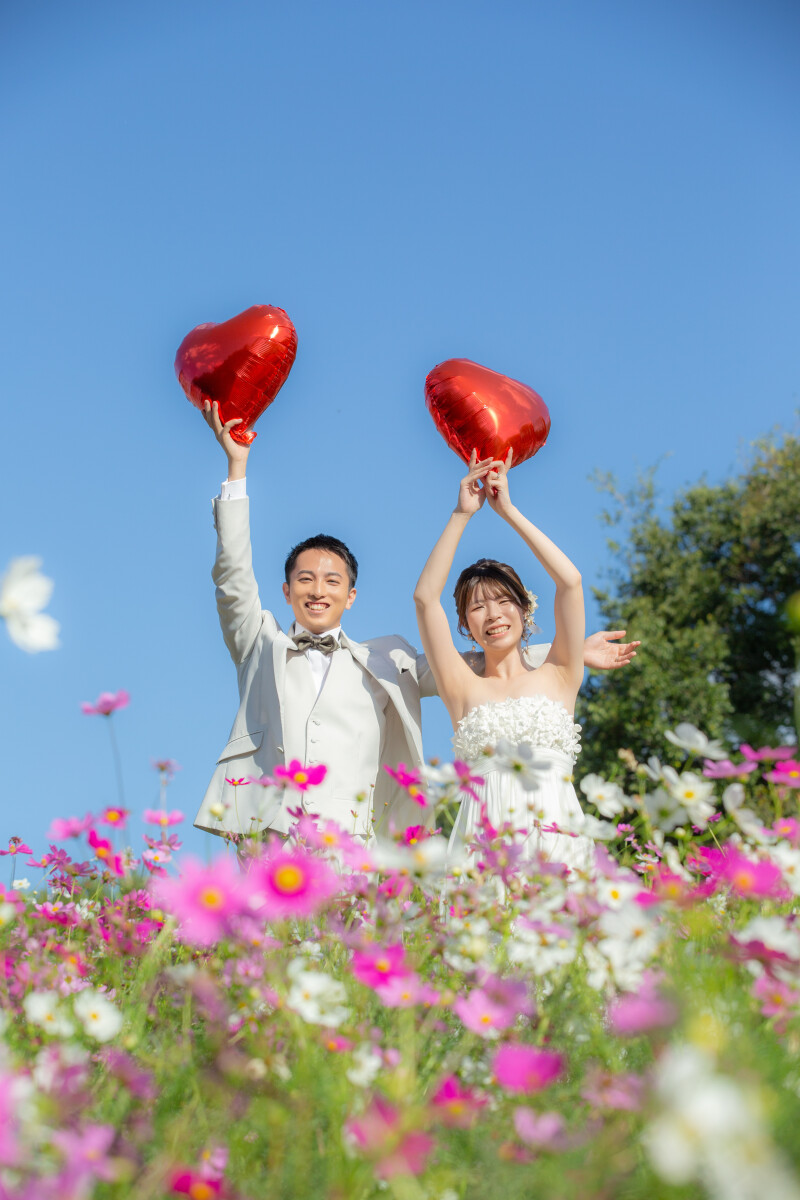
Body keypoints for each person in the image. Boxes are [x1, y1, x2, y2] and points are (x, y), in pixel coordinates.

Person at [193, 403, 638, 847]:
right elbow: (233, 577)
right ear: (286, 591)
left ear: (352, 596)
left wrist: (572, 651)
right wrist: (237, 467)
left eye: (332, 581)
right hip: (272, 834)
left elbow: (519, 632)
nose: (318, 590)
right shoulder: (260, 642)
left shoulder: (387, 660)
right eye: (305, 580)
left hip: (355, 846)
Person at [413, 450, 598, 869]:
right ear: (465, 624)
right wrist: (462, 514)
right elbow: (426, 599)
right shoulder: (462, 688)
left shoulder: (560, 673)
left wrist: (508, 511)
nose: (493, 615)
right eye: (477, 608)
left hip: (558, 847)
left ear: (524, 609)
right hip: (484, 852)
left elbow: (569, 582)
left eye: (502, 601)